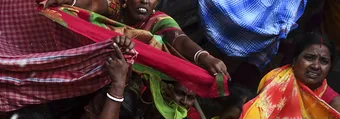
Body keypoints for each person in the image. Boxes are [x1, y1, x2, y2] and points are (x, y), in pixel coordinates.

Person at [45, 0, 229, 77]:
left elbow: (178, 38)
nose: (144, 1)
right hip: (85, 65)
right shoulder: (115, 7)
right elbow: (92, 3)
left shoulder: (158, 20)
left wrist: (204, 57)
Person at [240, 33, 340, 119]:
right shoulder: (276, 80)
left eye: (324, 61)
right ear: (294, 60)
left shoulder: (334, 103)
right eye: (309, 58)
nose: (316, 66)